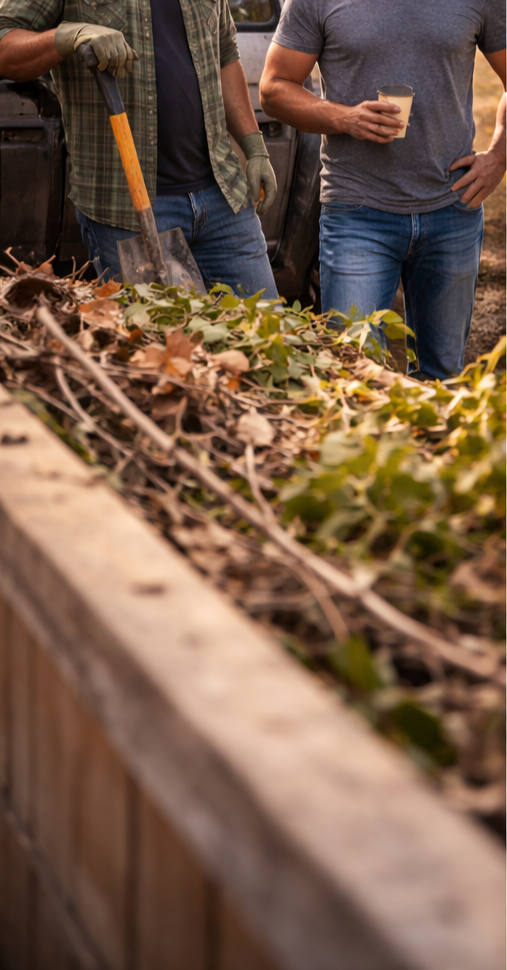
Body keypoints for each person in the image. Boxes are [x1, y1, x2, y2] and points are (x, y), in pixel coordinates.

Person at [260, 0, 506, 380]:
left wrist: (499, 157)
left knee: (442, 379)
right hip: (357, 213)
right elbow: (274, 89)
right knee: (354, 375)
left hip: (451, 211)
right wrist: (345, 118)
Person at [0, 0, 278, 296]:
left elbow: (224, 51)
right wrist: (70, 35)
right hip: (129, 211)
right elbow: (5, 44)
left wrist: (254, 146)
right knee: (161, 338)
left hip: (224, 197)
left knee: (265, 334)